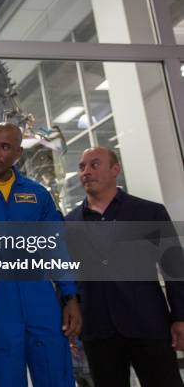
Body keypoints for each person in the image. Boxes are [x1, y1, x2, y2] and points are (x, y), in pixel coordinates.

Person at [0, 122, 81, 387]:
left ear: (18, 153)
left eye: (4, 147)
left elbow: (57, 248)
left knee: (56, 374)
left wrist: (70, 297)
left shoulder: (37, 195)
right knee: (5, 378)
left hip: (41, 302)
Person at [65, 146, 184, 387]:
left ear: (115, 169)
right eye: (82, 167)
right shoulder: (69, 224)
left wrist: (181, 318)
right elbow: (68, 277)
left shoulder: (149, 212)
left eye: (94, 164)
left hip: (148, 324)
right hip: (97, 330)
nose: (86, 171)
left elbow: (175, 270)